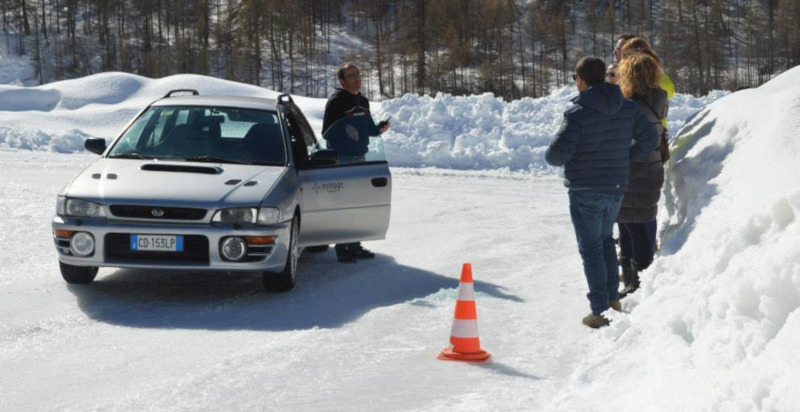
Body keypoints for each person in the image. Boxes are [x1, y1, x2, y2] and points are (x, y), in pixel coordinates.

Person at [545, 57, 657, 329]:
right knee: (606, 241)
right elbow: (650, 139)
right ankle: (611, 299)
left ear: (581, 80)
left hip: (585, 189)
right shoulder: (627, 108)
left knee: (592, 248)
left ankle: (600, 309)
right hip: (616, 186)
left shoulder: (578, 112)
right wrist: (625, 157)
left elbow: (555, 156)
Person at [322, 62, 390, 263]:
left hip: (361, 158)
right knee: (346, 204)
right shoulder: (336, 101)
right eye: (352, 76)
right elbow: (327, 131)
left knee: (359, 203)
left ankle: (354, 244)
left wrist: (379, 129)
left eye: (358, 74)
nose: (357, 78)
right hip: (342, 159)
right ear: (343, 81)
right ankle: (343, 247)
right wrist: (346, 133)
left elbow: (368, 129)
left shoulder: (363, 101)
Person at [614, 53, 669, 298]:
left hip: (631, 170)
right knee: (641, 223)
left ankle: (635, 281)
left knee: (628, 227)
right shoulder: (659, 99)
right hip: (653, 169)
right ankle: (639, 278)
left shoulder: (628, 106)